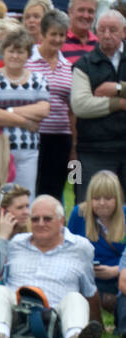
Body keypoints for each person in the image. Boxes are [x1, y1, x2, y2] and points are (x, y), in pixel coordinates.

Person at [0, 194, 103, 338]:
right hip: (18, 311)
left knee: (76, 297)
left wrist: (99, 325)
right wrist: (2, 238)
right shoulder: (16, 243)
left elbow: (90, 291)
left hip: (57, 315)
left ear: (61, 220)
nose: (40, 224)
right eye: (35, 219)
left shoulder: (80, 247)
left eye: (47, 219)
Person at [0, 30, 50, 211]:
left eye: (20, 52)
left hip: (27, 151)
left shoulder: (38, 79)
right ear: (3, 52)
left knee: (25, 200)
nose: (15, 56)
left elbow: (43, 109)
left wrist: (7, 111)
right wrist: (25, 121)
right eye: (11, 51)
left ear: (27, 55)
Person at [69, 10, 126, 205]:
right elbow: (80, 105)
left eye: (113, 30)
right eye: (102, 30)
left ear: (124, 32)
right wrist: (119, 103)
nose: (107, 35)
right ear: (96, 32)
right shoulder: (83, 65)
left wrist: (117, 88)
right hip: (93, 150)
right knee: (89, 206)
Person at [28, 10, 75, 203]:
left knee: (57, 189)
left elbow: (73, 110)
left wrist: (74, 146)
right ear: (43, 34)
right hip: (33, 137)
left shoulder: (69, 66)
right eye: (53, 34)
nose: (57, 39)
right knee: (32, 188)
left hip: (61, 138)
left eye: (62, 35)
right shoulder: (27, 62)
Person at [68, 169, 126, 314]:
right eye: (96, 198)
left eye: (108, 198)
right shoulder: (79, 214)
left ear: (117, 199)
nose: (102, 203)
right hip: (89, 277)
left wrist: (116, 270)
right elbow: (68, 249)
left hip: (121, 276)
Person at [63, 0, 99, 65]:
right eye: (81, 10)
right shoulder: (57, 41)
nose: (86, 16)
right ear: (70, 12)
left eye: (90, 11)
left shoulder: (99, 44)